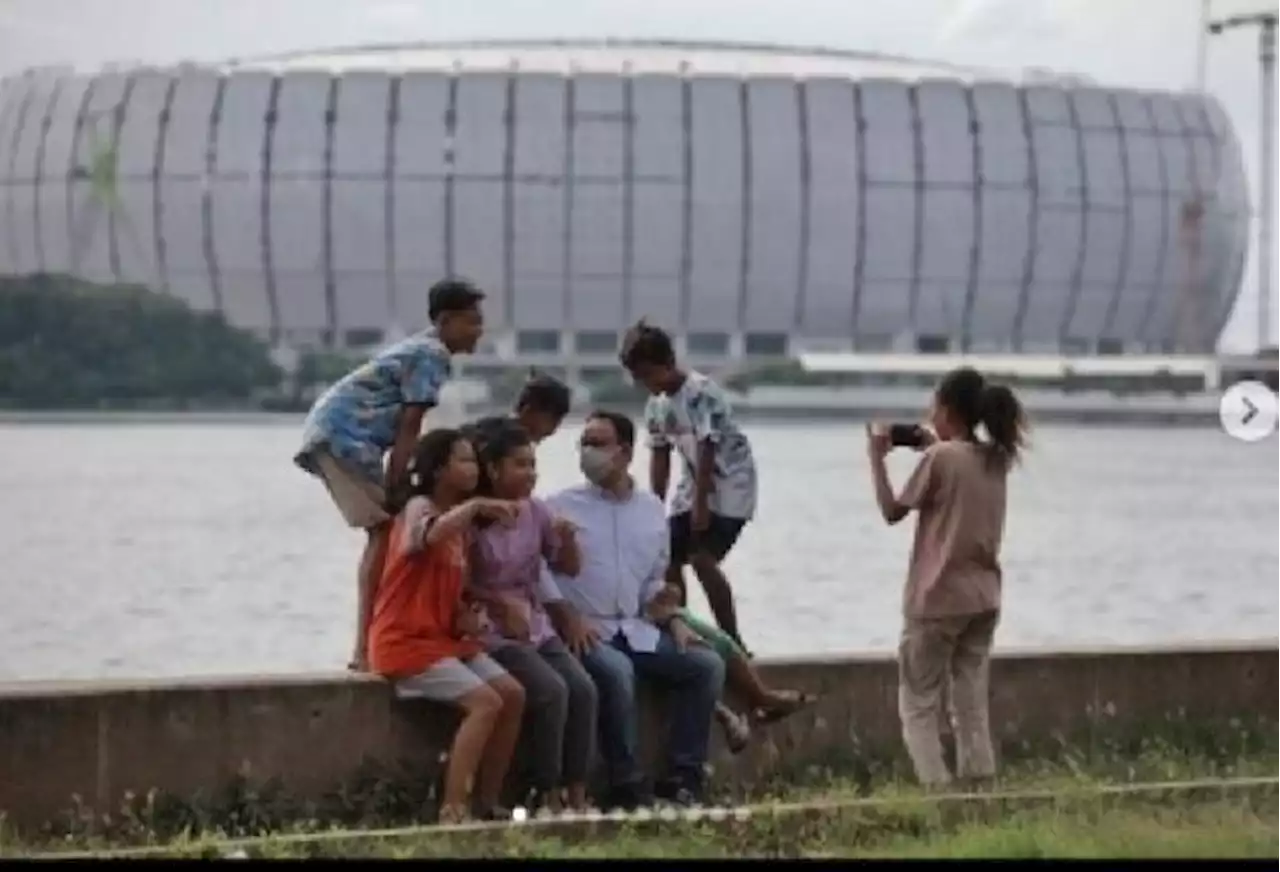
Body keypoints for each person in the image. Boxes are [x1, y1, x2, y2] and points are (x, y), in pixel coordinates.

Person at [294, 278, 487, 673]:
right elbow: (410, 423)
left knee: (391, 531)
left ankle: (382, 637)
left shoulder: (422, 349)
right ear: (446, 321)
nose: (478, 330)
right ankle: (365, 646)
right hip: (345, 438)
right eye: (471, 322)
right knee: (384, 533)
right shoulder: (433, 355)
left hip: (339, 434)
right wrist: (400, 482)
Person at [539, 409, 727, 810]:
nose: (587, 452)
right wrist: (565, 617)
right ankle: (625, 781)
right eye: (584, 443)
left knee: (706, 666)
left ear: (624, 452)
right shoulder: (557, 506)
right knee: (617, 673)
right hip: (583, 630)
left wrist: (670, 612)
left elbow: (654, 580)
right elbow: (536, 569)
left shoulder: (650, 510)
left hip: (636, 627)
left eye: (597, 443)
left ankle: (683, 777)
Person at [865, 366, 1028, 790]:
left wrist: (876, 459)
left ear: (948, 408)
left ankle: (938, 792)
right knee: (970, 702)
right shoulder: (997, 458)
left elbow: (892, 511)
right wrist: (934, 443)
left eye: (933, 406)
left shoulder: (940, 458)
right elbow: (960, 465)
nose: (928, 414)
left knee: (918, 703)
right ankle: (981, 784)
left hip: (937, 599)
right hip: (984, 599)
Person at [367, 428, 527, 823]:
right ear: (438, 469)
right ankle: (453, 810)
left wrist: (481, 610)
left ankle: (488, 803)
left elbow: (452, 593)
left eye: (474, 460)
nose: (472, 468)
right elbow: (418, 541)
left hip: (443, 641)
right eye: (463, 460)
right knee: (485, 702)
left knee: (512, 694)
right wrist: (475, 508)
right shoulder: (420, 508)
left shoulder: (461, 534)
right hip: (405, 642)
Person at [465, 420, 598, 814]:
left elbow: (567, 567)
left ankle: (576, 789)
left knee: (584, 690)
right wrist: (498, 604)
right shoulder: (472, 518)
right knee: (552, 691)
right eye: (520, 465)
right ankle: (544, 791)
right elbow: (458, 583)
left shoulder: (536, 511)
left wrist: (568, 538)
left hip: (534, 625)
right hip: (492, 630)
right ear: (493, 469)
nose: (531, 474)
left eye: (533, 464)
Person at [619, 320, 758, 654]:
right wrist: (654, 504)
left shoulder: (700, 393)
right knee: (668, 556)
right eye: (639, 379)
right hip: (693, 483)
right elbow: (660, 454)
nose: (646, 384)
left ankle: (732, 638)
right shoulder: (657, 404)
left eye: (649, 375)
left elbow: (708, 446)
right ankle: (683, 626)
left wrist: (701, 505)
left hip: (730, 488)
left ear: (668, 364)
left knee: (702, 558)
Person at [648, 585, 816, 754]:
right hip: (639, 621)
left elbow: (667, 587)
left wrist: (668, 602)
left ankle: (759, 697)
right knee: (694, 657)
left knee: (717, 641)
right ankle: (730, 711)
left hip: (662, 612)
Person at [463, 369, 573, 448]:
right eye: (551, 421)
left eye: (558, 422)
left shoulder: (517, 441)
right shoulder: (493, 438)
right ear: (528, 410)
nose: (552, 430)